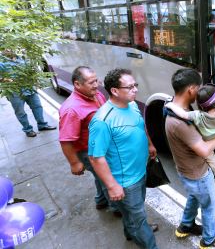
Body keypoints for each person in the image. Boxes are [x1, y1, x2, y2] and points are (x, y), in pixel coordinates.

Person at [88, 68, 158, 249]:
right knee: (138, 217)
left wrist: (150, 144)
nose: (135, 89)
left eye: (135, 85)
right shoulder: (103, 120)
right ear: (114, 91)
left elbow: (140, 127)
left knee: (133, 214)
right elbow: (96, 158)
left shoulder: (132, 105)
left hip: (140, 172)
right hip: (125, 181)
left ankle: (130, 232)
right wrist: (112, 186)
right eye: (130, 87)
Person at [165, 68, 215, 248]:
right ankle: (209, 239)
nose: (200, 92)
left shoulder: (173, 105)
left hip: (185, 170)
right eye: (199, 88)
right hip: (197, 172)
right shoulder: (180, 123)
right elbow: (204, 151)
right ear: (191, 90)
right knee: (210, 205)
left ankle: (186, 225)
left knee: (194, 197)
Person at [58, 66, 119, 216]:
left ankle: (101, 201)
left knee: (100, 176)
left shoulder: (96, 94)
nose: (96, 85)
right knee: (106, 178)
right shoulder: (71, 109)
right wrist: (75, 163)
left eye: (96, 81)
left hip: (103, 146)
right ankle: (117, 208)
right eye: (91, 82)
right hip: (89, 152)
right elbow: (65, 140)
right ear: (77, 84)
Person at [165, 84, 215, 180]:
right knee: (210, 155)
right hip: (214, 135)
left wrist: (170, 105)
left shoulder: (198, 116)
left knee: (210, 156)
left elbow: (182, 114)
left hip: (203, 139)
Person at [0, 52, 56, 137]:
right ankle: (28, 130)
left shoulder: (22, 57)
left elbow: (30, 71)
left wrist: (35, 81)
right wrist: (5, 79)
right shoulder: (1, 61)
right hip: (15, 92)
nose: (9, 49)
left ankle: (42, 125)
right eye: (6, 48)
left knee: (37, 107)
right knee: (20, 112)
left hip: (29, 88)